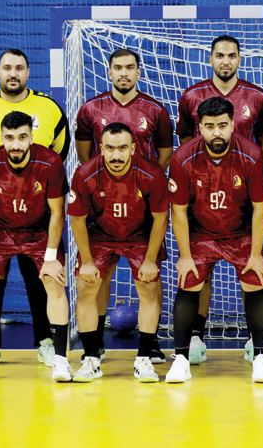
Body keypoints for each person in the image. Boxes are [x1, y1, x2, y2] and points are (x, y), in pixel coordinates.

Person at [0, 49, 70, 368]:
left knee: (43, 278)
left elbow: (59, 150)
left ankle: (48, 344)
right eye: (7, 67)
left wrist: (34, 182)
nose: (13, 73)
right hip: (0, 213)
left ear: (27, 72)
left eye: (19, 67)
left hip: (39, 212)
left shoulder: (49, 107)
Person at [176, 35, 263, 365]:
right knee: (197, 274)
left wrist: (245, 166)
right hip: (202, 198)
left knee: (251, 273)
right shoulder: (191, 96)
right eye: (220, 55)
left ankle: (256, 344)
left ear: (239, 59)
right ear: (211, 59)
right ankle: (194, 337)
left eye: (232, 55)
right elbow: (185, 140)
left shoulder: (257, 98)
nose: (226, 61)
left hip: (241, 197)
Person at [74, 48, 173, 363]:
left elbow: (164, 155)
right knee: (98, 275)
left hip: (141, 206)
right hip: (102, 206)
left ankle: (150, 345)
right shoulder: (91, 108)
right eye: (118, 67)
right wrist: (106, 185)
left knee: (149, 275)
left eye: (130, 67)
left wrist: (140, 184)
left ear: (138, 72)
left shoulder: (155, 110)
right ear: (109, 71)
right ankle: (95, 345)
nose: (124, 73)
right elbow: (84, 154)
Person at [67, 123, 169, 383]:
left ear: (133, 149)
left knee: (148, 285)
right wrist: (87, 262)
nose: (116, 155)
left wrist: (150, 260)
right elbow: (77, 220)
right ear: (101, 149)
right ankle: (91, 359)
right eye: (110, 149)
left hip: (139, 234)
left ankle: (144, 359)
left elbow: (160, 218)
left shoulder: (151, 173)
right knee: (86, 285)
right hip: (100, 234)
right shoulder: (85, 174)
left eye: (123, 148)